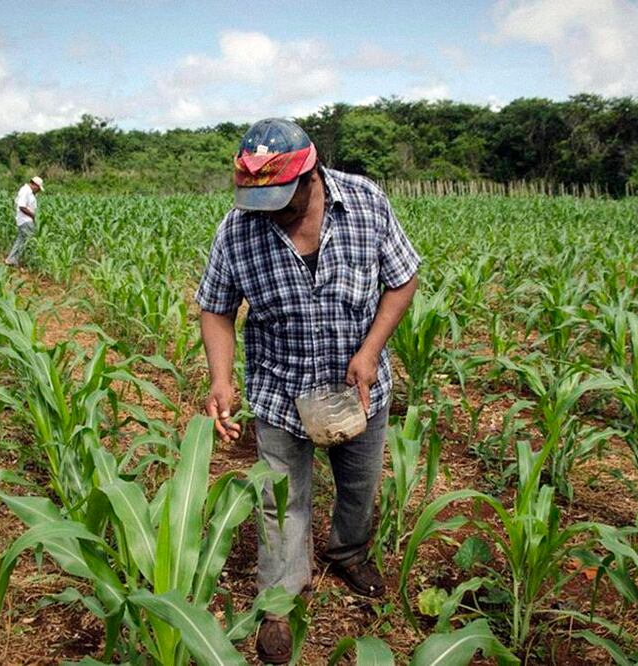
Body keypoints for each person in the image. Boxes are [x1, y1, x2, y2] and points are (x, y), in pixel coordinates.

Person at [195, 118, 419, 664]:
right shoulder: (237, 230)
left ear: (311, 175)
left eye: (280, 200)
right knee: (280, 501)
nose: (269, 212)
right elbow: (216, 307)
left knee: (359, 486)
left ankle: (348, 552)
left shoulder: (366, 203)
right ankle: (279, 599)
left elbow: (402, 278)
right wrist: (222, 379)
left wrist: (370, 352)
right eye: (259, 201)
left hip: (357, 387)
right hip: (280, 390)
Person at [5, 176, 43, 267]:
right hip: (25, 220)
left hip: (25, 220)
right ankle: (32, 262)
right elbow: (22, 206)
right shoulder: (25, 191)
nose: (38, 191)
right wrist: (33, 216)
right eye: (38, 188)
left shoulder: (29, 192)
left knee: (21, 240)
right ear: (34, 185)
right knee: (31, 240)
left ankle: (11, 259)